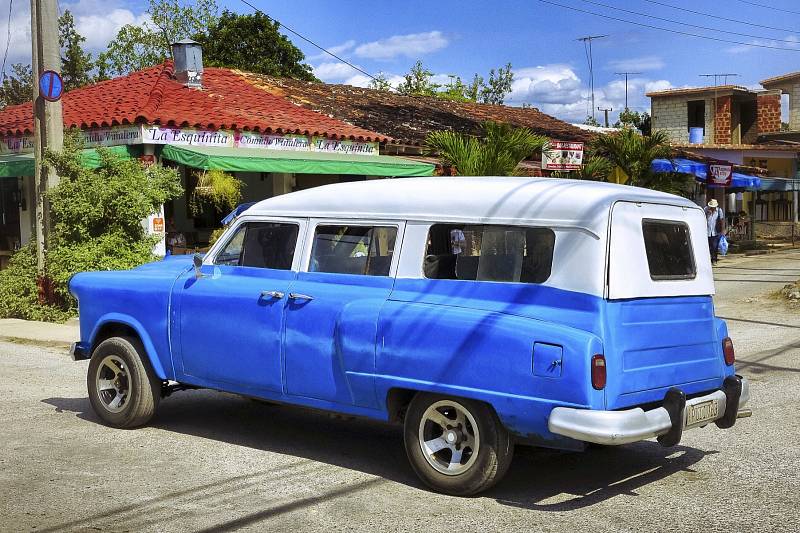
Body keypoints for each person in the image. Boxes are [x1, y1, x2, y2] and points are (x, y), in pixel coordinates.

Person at [704, 199, 725, 264]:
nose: (713, 208)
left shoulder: (719, 210)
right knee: (709, 246)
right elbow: (703, 218)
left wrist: (722, 230)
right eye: (711, 207)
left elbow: (721, 221)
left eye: (714, 207)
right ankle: (709, 259)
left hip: (716, 232)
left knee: (715, 246)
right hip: (707, 231)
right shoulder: (706, 209)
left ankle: (714, 259)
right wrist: (708, 214)